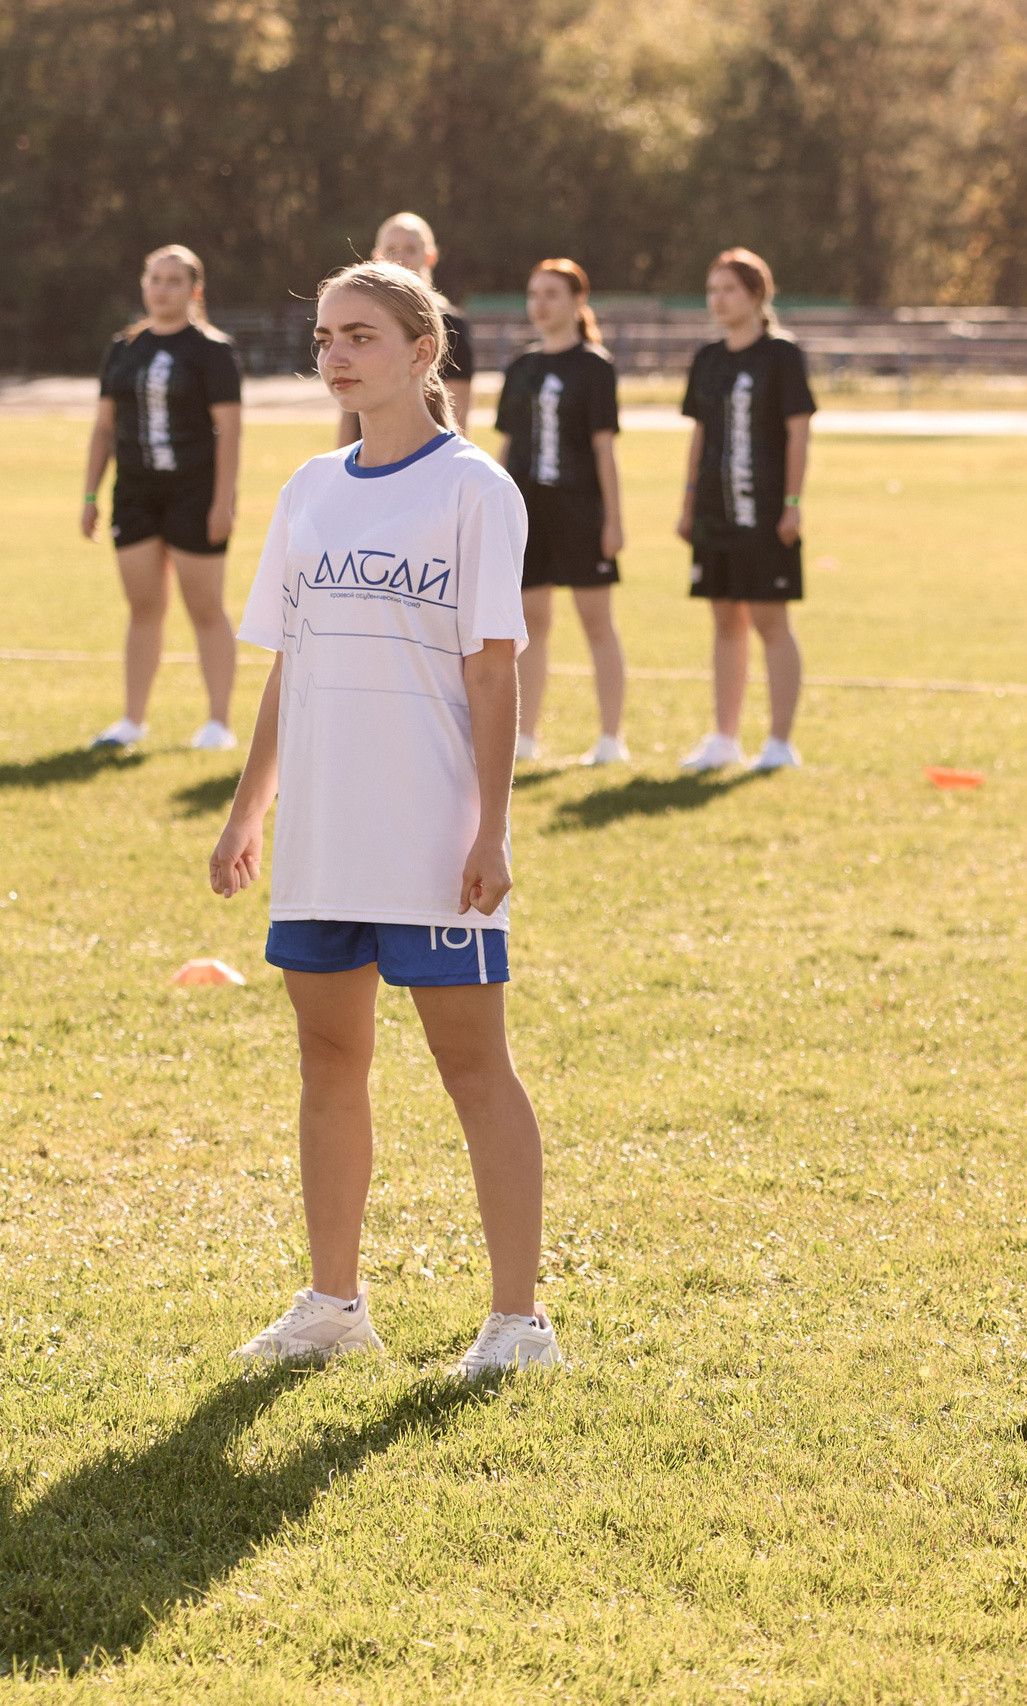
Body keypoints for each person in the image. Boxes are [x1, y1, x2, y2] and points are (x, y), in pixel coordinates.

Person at [212, 259, 560, 1379]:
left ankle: (519, 1323)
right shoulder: (308, 488)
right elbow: (286, 661)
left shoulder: (474, 488)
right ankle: (332, 1303)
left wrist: (491, 828)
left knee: (473, 1065)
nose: (335, 356)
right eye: (323, 339)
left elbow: (495, 673)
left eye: (359, 335)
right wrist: (247, 806)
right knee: (327, 1056)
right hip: (323, 834)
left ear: (423, 352)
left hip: (430, 835)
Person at [78, 244, 244, 752]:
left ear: (194, 290)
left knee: (205, 607)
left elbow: (231, 434)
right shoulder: (123, 348)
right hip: (134, 496)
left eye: (174, 280)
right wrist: (90, 494)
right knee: (143, 606)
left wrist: (223, 503)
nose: (162, 288)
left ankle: (218, 723)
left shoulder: (213, 351)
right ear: (143, 284)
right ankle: (132, 721)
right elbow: (104, 428)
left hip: (194, 495)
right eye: (154, 278)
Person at [674, 248, 812, 773]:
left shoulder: (781, 356)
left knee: (770, 620)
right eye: (712, 290)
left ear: (756, 295)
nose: (718, 300)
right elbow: (700, 435)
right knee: (724, 621)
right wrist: (688, 502)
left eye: (728, 289)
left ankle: (779, 742)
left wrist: (793, 504)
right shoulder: (707, 359)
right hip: (715, 512)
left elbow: (799, 432)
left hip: (767, 512)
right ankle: (724, 738)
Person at [494, 258, 627, 765]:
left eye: (551, 294)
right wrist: (500, 511)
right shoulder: (522, 367)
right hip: (530, 514)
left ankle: (610, 738)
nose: (540, 304)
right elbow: (506, 449)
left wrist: (613, 520)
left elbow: (603, 449)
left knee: (597, 621)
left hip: (581, 510)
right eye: (533, 294)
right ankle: (524, 737)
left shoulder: (594, 366)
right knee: (529, 623)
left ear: (577, 301)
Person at [335, 213, 474, 445]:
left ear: (430, 256)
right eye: (391, 249)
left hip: (423, 456)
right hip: (369, 457)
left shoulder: (451, 324)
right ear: (376, 257)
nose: (399, 258)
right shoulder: (360, 320)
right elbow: (350, 408)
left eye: (410, 249)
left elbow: (457, 413)